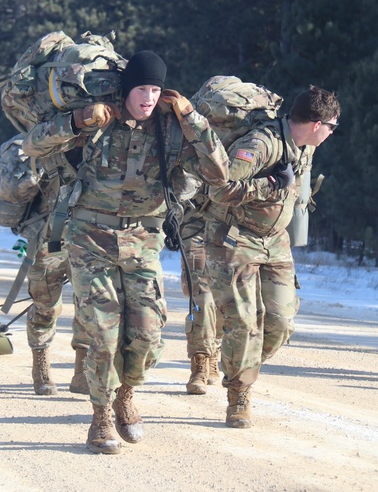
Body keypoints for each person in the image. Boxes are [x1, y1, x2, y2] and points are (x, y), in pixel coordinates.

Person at [22, 50, 228, 454]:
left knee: (149, 333)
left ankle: (125, 395)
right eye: (141, 88)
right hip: (89, 237)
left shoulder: (171, 129)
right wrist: (76, 121)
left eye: (155, 89)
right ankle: (100, 417)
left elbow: (219, 172)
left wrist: (193, 119)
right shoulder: (99, 118)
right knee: (102, 331)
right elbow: (32, 144)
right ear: (127, 88)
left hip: (143, 240)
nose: (148, 97)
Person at [205, 85, 340, 429]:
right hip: (236, 238)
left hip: (274, 241)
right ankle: (238, 396)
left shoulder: (304, 147)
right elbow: (218, 189)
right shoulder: (261, 145)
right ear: (315, 123)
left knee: (281, 322)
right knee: (246, 323)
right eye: (332, 127)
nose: (331, 134)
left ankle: (235, 358)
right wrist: (268, 185)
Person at [22, 150, 91, 396]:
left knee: (91, 304)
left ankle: (82, 370)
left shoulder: (111, 129)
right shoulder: (56, 125)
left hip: (90, 236)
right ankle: (40, 364)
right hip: (47, 234)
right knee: (46, 305)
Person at [178, 200, 224, 395]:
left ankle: (214, 347)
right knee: (201, 297)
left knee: (224, 297)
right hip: (195, 222)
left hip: (232, 226)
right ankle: (200, 363)